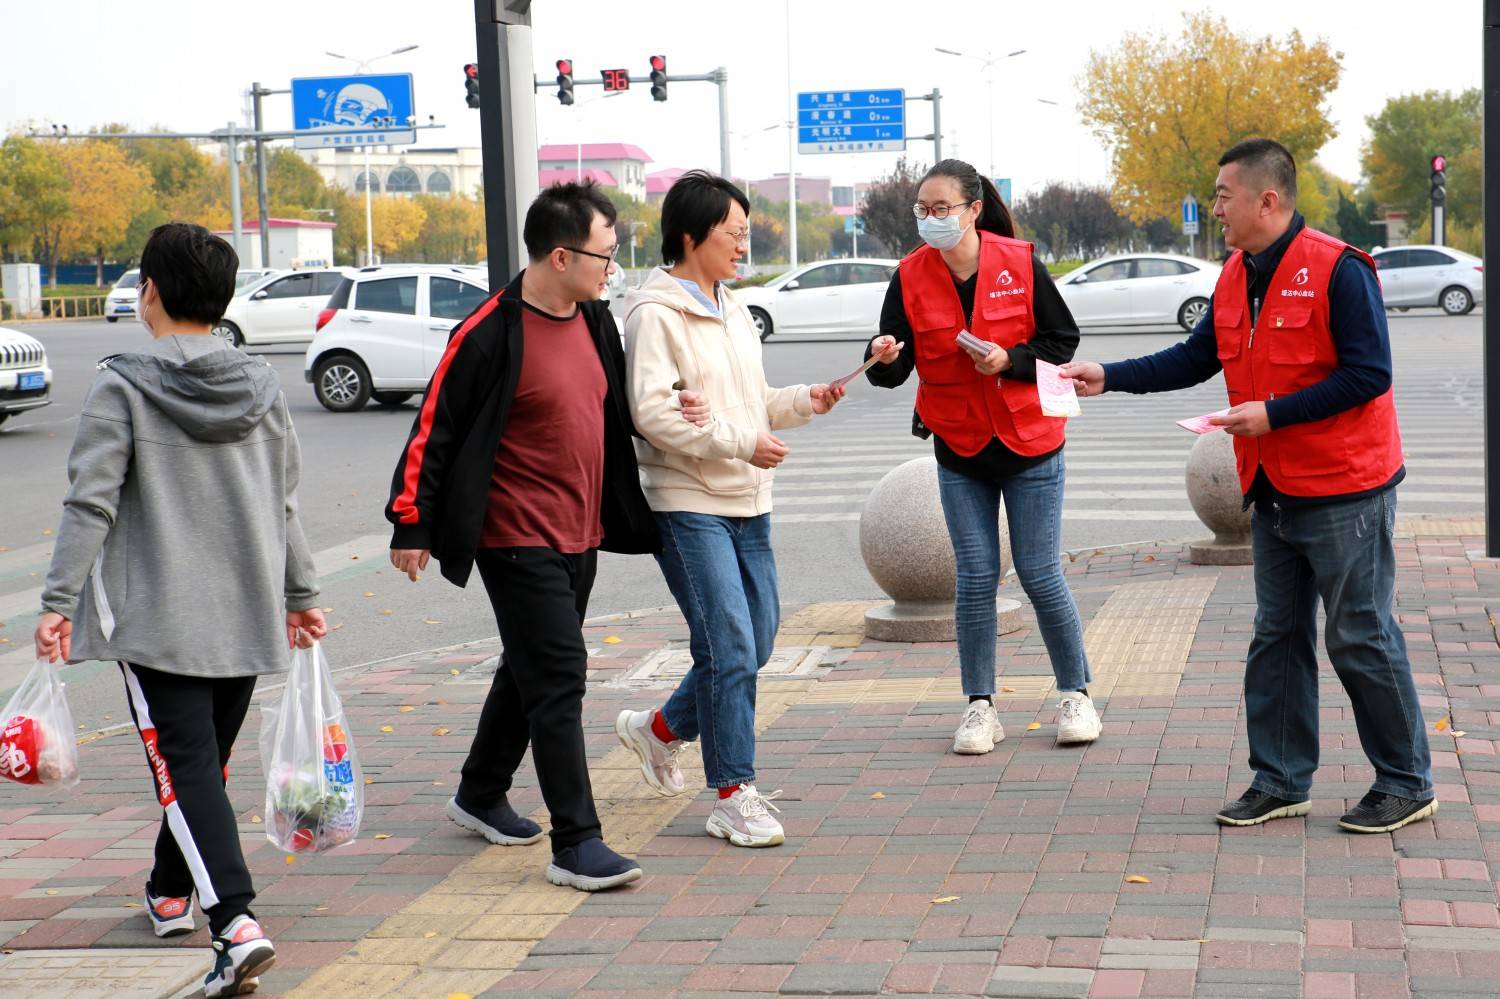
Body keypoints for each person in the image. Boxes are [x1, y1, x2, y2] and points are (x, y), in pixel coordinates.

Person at [1061, 138, 1434, 833]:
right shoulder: (1235, 271)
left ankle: (1407, 779)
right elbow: (1197, 356)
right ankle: (1282, 778)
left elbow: (1370, 374)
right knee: (1277, 635)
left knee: (1358, 633)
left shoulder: (1338, 269)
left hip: (1344, 485)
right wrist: (1108, 374)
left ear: (1269, 199)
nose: (1216, 206)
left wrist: (1273, 412)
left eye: (1225, 194)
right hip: (1270, 484)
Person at [385, 181, 708, 891]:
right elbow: (432, 431)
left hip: (579, 528)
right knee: (561, 674)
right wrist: (412, 521)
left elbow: (616, 399)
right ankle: (577, 841)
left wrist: (673, 400)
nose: (611, 268)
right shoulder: (490, 331)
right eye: (604, 255)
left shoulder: (595, 320)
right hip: (512, 533)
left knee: (529, 666)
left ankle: (480, 790)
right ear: (561, 256)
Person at [34, 222, 325, 998]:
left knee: (190, 767)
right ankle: (169, 890)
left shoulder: (121, 384)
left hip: (155, 620)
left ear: (150, 292)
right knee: (200, 766)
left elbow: (88, 502)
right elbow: (284, 502)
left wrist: (57, 603)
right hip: (246, 609)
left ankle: (235, 925)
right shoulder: (261, 385)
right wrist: (300, 594)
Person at [613, 170, 844, 848]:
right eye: (733, 233)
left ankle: (657, 732)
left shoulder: (734, 307)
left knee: (757, 639)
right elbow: (651, 412)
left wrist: (806, 399)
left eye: (745, 233)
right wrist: (741, 439)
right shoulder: (655, 314)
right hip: (686, 501)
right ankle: (732, 792)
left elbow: (756, 401)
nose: (744, 244)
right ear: (691, 236)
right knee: (730, 645)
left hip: (749, 499)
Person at [860, 158, 1100, 756]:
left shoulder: (1018, 262)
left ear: (972, 210)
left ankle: (1075, 694)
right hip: (959, 444)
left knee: (1040, 572)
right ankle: (979, 706)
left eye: (942, 209)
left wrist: (1010, 361)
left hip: (1029, 441)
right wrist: (884, 355)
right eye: (922, 210)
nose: (931, 219)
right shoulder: (909, 276)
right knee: (974, 577)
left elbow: (1061, 339)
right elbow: (894, 367)